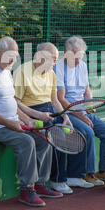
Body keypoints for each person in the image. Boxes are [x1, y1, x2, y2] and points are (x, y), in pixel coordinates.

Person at [0, 36, 63, 207]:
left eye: (16, 55)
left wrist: (28, 118)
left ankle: (41, 183)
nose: (15, 59)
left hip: (11, 122)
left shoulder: (6, 71)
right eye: (11, 55)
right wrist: (10, 123)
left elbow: (12, 103)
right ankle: (27, 190)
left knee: (44, 136)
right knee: (26, 141)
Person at [13, 42, 88, 194]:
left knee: (68, 133)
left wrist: (66, 117)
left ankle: (48, 181)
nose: (55, 63)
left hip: (50, 112)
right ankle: (56, 181)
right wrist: (35, 116)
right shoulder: (21, 71)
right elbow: (15, 102)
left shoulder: (52, 74)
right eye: (53, 59)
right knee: (57, 138)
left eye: (56, 59)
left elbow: (55, 101)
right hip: (30, 114)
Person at [55, 35, 105, 185]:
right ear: (65, 52)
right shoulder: (58, 68)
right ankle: (85, 174)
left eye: (80, 57)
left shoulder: (82, 65)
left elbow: (87, 90)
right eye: (74, 58)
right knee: (87, 131)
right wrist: (81, 116)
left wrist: (90, 105)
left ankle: (103, 171)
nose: (77, 61)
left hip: (82, 111)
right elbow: (61, 99)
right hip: (67, 113)